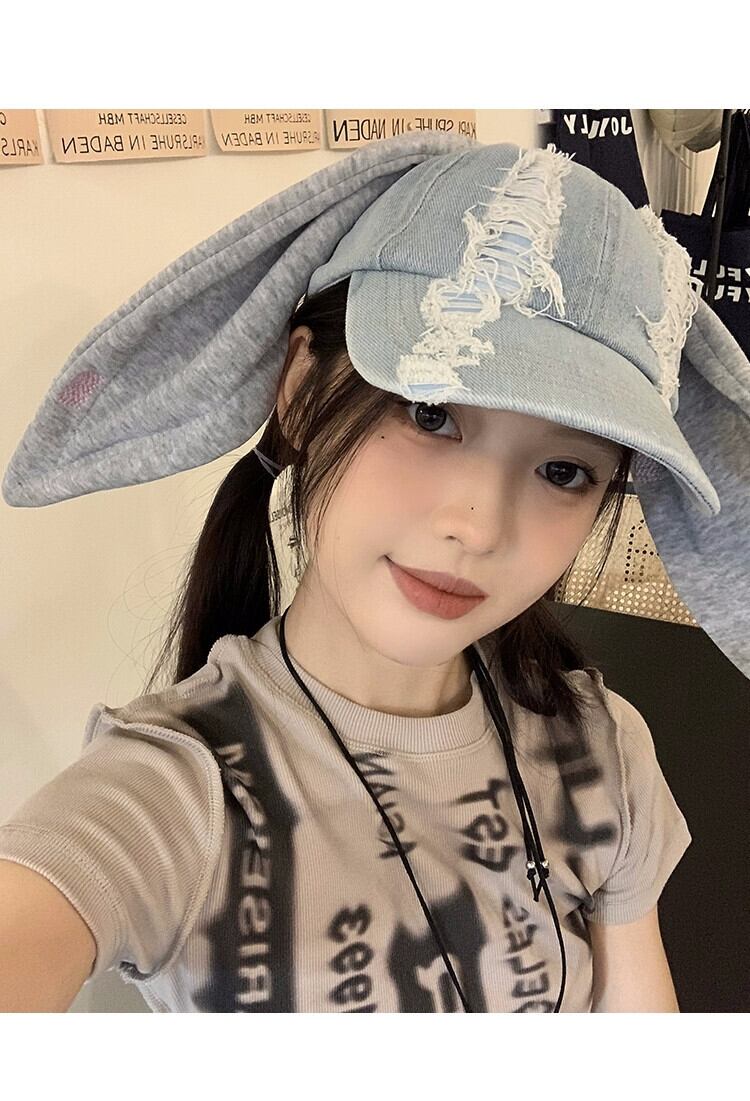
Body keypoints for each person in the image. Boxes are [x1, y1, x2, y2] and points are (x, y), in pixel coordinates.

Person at [2, 133, 746, 1014]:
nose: (478, 526)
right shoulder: (174, 794)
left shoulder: (599, 748)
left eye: (564, 470)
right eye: (430, 412)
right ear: (300, 391)